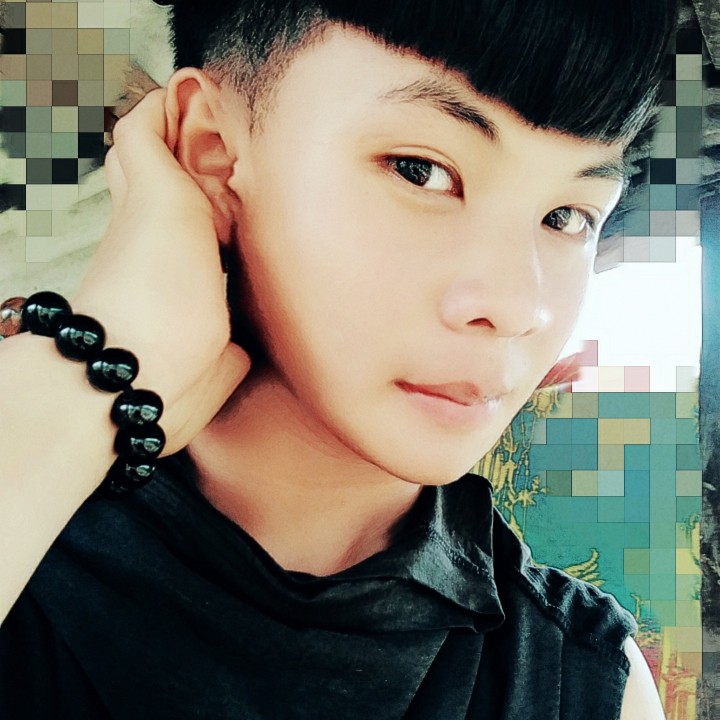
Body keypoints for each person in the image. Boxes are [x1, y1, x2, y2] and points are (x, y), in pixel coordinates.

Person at [0, 0, 675, 717]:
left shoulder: (587, 685)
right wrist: (101, 366)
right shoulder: (28, 526)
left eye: (567, 217)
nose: (519, 305)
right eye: (421, 170)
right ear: (214, 151)